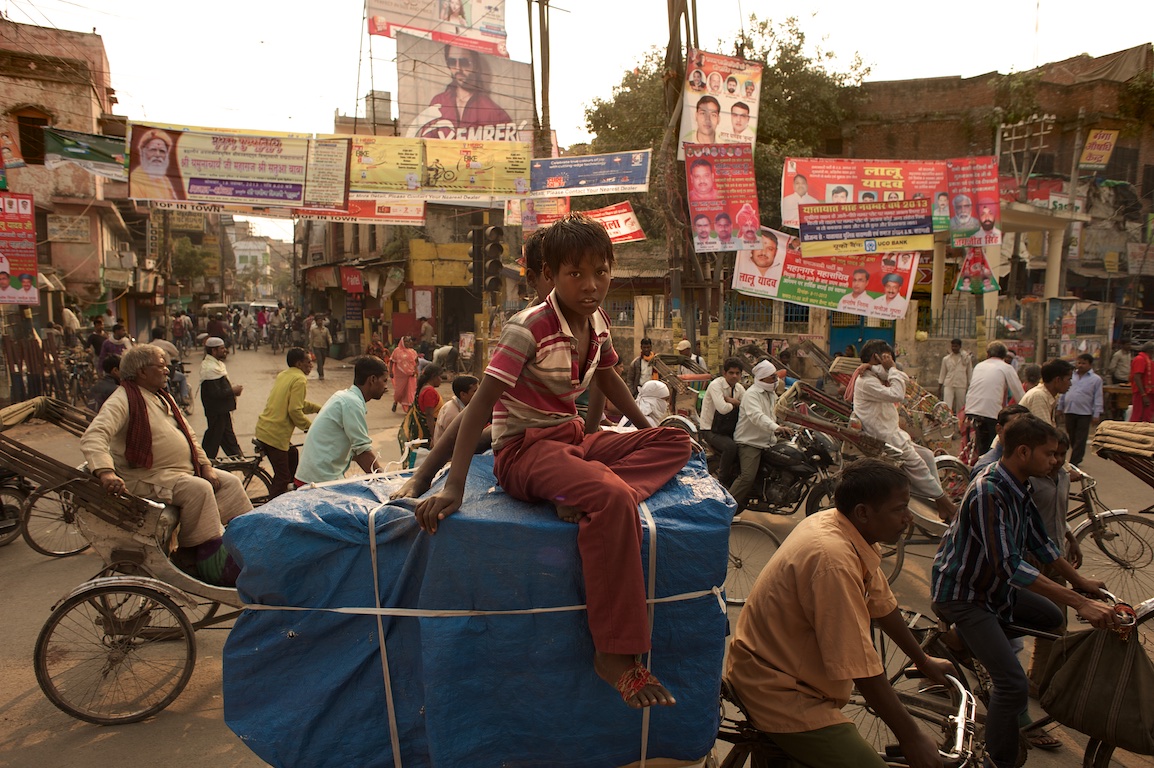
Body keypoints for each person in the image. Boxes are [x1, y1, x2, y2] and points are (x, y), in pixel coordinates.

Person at [413, 213, 692, 709]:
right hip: (525, 453)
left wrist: (646, 434)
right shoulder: (528, 327)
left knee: (677, 442)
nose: (591, 286)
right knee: (612, 498)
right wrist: (450, 485)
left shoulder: (598, 321)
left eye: (601, 272)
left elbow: (608, 380)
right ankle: (614, 653)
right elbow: (478, 407)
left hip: (573, 442)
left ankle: (580, 488)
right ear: (551, 275)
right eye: (576, 274)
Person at [727, 459, 953, 768]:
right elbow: (858, 662)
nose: (908, 519)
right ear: (863, 512)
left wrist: (923, 660)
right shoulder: (832, 558)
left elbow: (883, 604)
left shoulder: (841, 526)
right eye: (899, 509)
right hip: (779, 692)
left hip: (785, 673)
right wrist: (911, 736)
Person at [931, 416, 1119, 768]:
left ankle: (966, 642)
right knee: (1012, 684)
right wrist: (1080, 603)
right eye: (1049, 454)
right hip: (964, 594)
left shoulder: (1020, 485)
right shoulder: (990, 488)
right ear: (1022, 451)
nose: (1055, 461)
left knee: (1050, 617)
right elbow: (1009, 566)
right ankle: (995, 762)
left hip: (994, 591)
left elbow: (1042, 544)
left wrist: (1081, 584)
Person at [80, 344, 252, 586]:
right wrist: (106, 472)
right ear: (141, 372)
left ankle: (249, 543)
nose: (167, 371)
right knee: (198, 490)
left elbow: (189, 436)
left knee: (230, 483)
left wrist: (205, 466)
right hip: (145, 476)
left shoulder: (162, 395)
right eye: (161, 366)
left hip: (176, 472)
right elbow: (94, 436)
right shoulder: (122, 400)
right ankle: (190, 555)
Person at [851, 340, 955, 521]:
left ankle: (935, 500)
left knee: (928, 456)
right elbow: (898, 394)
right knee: (918, 464)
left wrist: (886, 368)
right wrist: (888, 368)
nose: (890, 364)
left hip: (893, 433)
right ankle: (944, 503)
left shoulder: (874, 375)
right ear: (877, 358)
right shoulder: (866, 381)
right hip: (884, 436)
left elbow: (903, 379)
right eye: (886, 360)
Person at [296, 356, 390, 484]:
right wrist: (385, 481)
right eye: (384, 381)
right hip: (318, 480)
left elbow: (357, 452)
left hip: (312, 475)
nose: (386, 386)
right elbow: (362, 451)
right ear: (372, 379)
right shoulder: (352, 403)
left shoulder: (345, 397)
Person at [254, 347, 322, 498]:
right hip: (275, 435)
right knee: (282, 476)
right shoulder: (299, 379)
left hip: (265, 428)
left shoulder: (284, 375)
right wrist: (311, 428)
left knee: (292, 454)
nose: (311, 365)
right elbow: (294, 411)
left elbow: (297, 404)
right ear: (299, 364)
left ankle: (290, 494)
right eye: (308, 362)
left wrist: (320, 409)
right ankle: (270, 511)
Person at [413, 45, 513, 140]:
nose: (458, 69)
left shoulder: (493, 111)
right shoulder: (438, 102)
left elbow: (507, 152)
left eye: (464, 62)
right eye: (452, 62)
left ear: (476, 66)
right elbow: (425, 145)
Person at [729, 360, 791, 514]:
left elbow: (774, 415)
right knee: (747, 477)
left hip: (768, 440)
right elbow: (757, 416)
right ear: (762, 378)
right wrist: (776, 428)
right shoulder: (752, 394)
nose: (775, 380)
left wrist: (792, 426)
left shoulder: (771, 394)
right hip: (750, 442)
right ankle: (724, 510)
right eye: (772, 377)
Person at [964, 341, 1026, 455]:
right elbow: (1020, 396)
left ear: (988, 354)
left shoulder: (979, 366)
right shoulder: (1006, 368)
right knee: (995, 448)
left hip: (971, 411)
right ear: (1004, 356)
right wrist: (1027, 412)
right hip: (991, 414)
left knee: (980, 449)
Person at [700, 358, 745, 486]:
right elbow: (722, 408)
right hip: (710, 429)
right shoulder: (716, 385)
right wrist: (736, 404)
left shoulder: (739, 388)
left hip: (728, 429)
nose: (734, 376)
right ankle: (723, 480)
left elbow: (747, 407)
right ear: (724, 373)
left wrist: (733, 402)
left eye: (737, 373)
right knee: (730, 447)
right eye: (731, 373)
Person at [199, 337, 243, 460]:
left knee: (227, 436)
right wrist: (232, 391)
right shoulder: (209, 368)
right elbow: (215, 393)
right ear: (214, 351)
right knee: (214, 438)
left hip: (222, 410)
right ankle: (204, 463)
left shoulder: (216, 365)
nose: (225, 351)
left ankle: (239, 460)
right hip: (216, 411)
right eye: (222, 348)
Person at [1058, 353, 1103, 465]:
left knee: (1081, 437)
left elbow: (1098, 397)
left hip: (1085, 412)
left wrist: (1096, 414)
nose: (1081, 365)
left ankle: (1075, 460)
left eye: (1084, 363)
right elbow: (1064, 392)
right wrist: (1060, 406)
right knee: (1071, 435)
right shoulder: (1071, 376)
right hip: (1070, 410)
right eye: (1079, 362)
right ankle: (1076, 455)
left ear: (1090, 365)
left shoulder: (1096, 379)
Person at [969, 404, 1031, 480]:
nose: (1022, 433)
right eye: (1015, 429)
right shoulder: (986, 471)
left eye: (1026, 429)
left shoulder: (1028, 462)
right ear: (999, 430)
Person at [399, 364, 445, 450]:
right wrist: (433, 436)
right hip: (428, 432)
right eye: (440, 377)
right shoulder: (429, 391)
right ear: (433, 376)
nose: (441, 380)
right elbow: (429, 415)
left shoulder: (424, 388)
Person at [1019, 358, 1073, 426]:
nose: (1070, 384)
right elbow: (1044, 432)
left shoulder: (1048, 396)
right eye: (1068, 379)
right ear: (1058, 380)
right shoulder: (1038, 396)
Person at [129, 128, 180, 200]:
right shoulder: (136, 180)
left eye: (162, 151)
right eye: (153, 150)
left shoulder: (165, 180)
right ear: (143, 152)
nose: (157, 155)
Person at [433, 374, 477, 446]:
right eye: (474, 391)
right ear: (463, 394)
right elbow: (457, 441)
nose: (477, 394)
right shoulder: (452, 412)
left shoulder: (462, 406)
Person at [938, 338, 972, 414]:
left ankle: (959, 422)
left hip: (961, 384)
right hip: (949, 383)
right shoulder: (946, 359)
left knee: (960, 405)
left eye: (956, 346)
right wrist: (939, 388)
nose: (954, 348)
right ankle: (947, 422)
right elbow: (942, 373)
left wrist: (970, 386)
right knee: (947, 405)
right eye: (952, 346)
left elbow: (969, 373)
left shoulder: (966, 358)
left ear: (960, 346)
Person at [390, 337, 419, 413]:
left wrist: (415, 370)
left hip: (411, 375)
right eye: (406, 341)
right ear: (402, 342)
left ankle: (410, 407)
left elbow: (416, 362)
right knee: (399, 392)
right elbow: (392, 361)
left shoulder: (413, 352)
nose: (408, 343)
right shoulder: (397, 351)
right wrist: (390, 371)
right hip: (400, 375)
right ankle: (395, 402)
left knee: (410, 391)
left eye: (409, 341)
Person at [1129, 341, 1154, 422]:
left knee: (1147, 417)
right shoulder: (1140, 359)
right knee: (1138, 416)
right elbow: (1137, 377)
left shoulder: (1149, 360)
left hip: (1149, 393)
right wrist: (1143, 395)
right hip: (1142, 393)